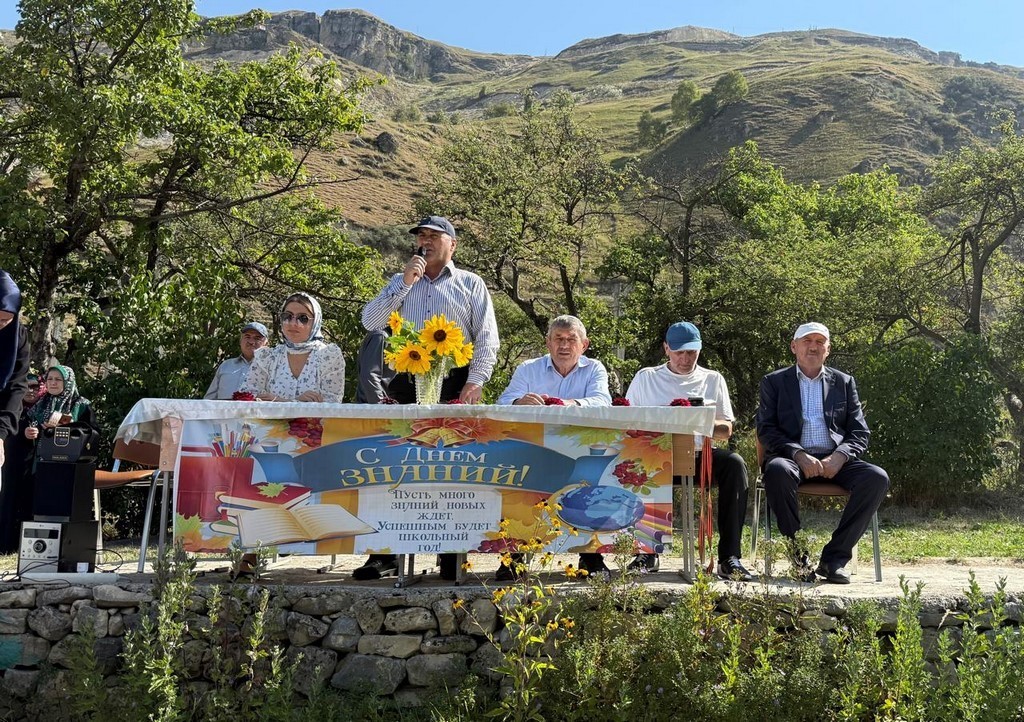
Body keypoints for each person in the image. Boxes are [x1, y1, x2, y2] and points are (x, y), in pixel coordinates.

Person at [355, 215, 500, 581]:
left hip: (456, 382)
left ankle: (451, 555)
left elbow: (486, 338)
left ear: (453, 245)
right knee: (397, 466)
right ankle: (384, 553)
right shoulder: (402, 281)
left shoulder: (471, 283)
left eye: (435, 236)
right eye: (421, 235)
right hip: (408, 378)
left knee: (454, 471)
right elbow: (371, 322)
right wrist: (403, 284)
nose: (426, 241)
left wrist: (476, 381)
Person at [756, 322, 889, 584]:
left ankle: (834, 560)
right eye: (807, 341)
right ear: (794, 347)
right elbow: (766, 430)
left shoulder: (843, 382)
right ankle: (799, 557)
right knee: (776, 471)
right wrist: (798, 454)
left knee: (877, 477)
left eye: (820, 342)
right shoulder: (774, 382)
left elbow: (859, 432)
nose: (813, 346)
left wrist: (839, 456)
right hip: (791, 459)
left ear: (828, 349)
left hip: (835, 460)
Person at [625, 321, 753, 581]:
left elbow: (726, 429)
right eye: (679, 352)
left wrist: (698, 420)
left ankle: (730, 557)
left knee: (735, 464)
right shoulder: (646, 377)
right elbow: (628, 421)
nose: (685, 358)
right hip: (657, 455)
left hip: (699, 455)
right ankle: (647, 551)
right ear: (666, 349)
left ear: (699, 350)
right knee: (637, 462)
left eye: (691, 352)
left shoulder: (712, 379)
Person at [496, 315, 611, 579]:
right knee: (517, 490)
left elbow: (602, 401)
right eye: (558, 339)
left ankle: (591, 558)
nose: (564, 345)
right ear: (547, 342)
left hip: (579, 446)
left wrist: (569, 404)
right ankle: (513, 558)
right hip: (531, 447)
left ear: (584, 344)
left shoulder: (595, 368)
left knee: (589, 492)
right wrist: (518, 403)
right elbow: (505, 401)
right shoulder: (528, 368)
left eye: (571, 339)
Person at [239, 293, 345, 403]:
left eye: (303, 318)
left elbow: (331, 405)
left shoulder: (329, 356)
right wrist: (296, 402)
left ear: (316, 322)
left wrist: (278, 401)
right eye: (287, 316)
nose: (293, 323)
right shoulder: (267, 358)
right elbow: (247, 399)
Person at [0, 270, 31, 552]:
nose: (1, 326)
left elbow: (17, 386)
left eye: (6, 320)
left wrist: (0, 434)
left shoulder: (17, 336)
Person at [204, 322, 269, 399]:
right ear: (240, 341)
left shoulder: (271, 368)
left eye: (257, 338)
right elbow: (209, 399)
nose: (251, 342)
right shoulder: (226, 365)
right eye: (247, 337)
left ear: (266, 344)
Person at [354, 329, 396, 403]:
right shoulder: (380, 336)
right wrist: (381, 406)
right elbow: (370, 375)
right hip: (375, 409)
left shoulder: (388, 337)